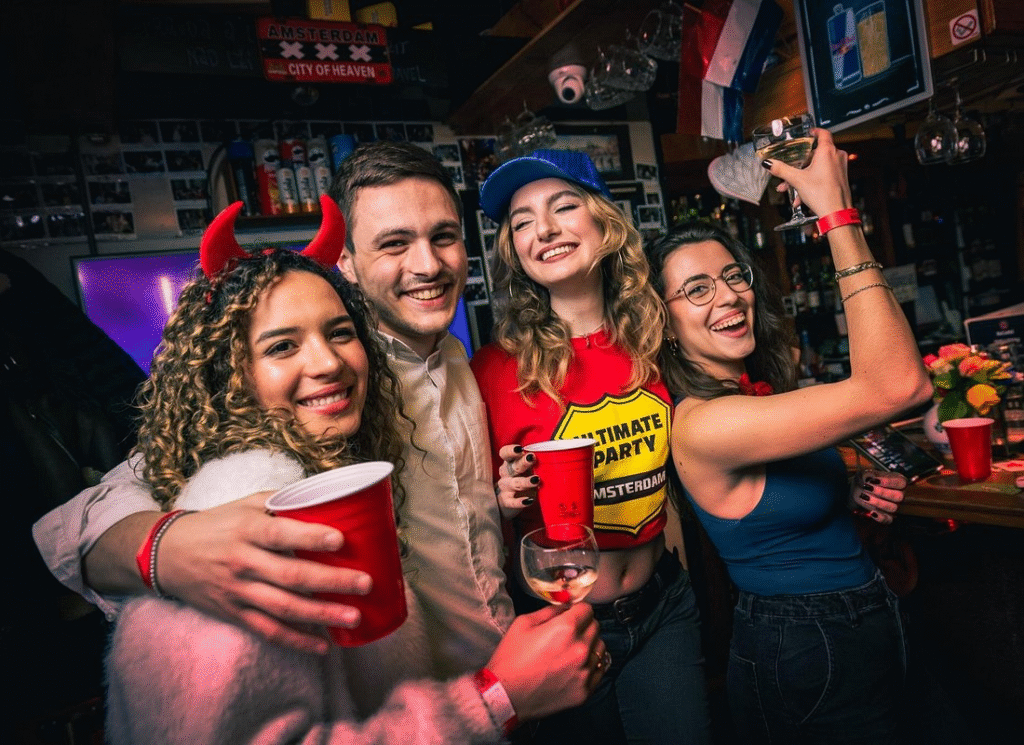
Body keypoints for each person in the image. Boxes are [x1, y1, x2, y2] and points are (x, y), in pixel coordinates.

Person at [32, 141, 594, 693]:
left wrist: (494, 497)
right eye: (394, 244)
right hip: (425, 707)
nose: (428, 265)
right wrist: (170, 549)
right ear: (346, 262)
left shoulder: (457, 357)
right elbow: (74, 523)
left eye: (443, 237)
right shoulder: (329, 386)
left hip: (517, 663)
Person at [644, 128, 932, 744]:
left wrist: (850, 498)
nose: (728, 296)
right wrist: (835, 212)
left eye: (732, 276)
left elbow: (777, 515)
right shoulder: (703, 422)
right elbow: (900, 386)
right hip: (804, 643)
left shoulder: (758, 393)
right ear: (663, 323)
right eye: (696, 289)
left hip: (857, 620)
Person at [470, 149, 712, 745]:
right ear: (514, 250)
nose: (543, 230)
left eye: (563, 206)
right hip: (561, 626)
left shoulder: (660, 339)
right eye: (522, 221)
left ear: (606, 222)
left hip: (664, 608)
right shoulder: (493, 370)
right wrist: (500, 499)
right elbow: (464, 518)